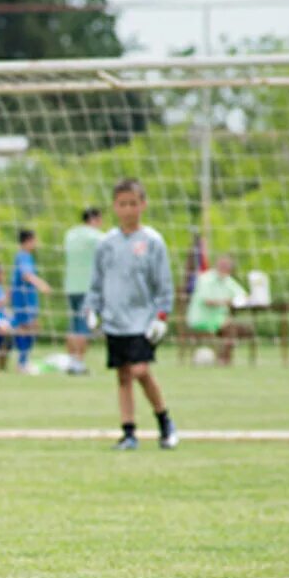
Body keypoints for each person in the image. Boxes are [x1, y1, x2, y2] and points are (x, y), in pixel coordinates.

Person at [85, 177, 178, 450]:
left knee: (140, 370)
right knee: (123, 375)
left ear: (143, 205)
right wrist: (92, 309)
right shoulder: (106, 244)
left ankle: (164, 421)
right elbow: (96, 282)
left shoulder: (152, 242)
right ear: (115, 207)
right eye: (122, 204)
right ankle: (129, 432)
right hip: (115, 320)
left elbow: (163, 285)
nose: (128, 209)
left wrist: (161, 316)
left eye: (133, 204)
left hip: (141, 320)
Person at [186, 254, 253, 365]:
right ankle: (223, 360)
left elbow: (243, 295)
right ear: (217, 266)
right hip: (201, 318)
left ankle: (223, 356)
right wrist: (227, 301)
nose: (225, 269)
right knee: (230, 326)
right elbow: (207, 301)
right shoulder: (205, 279)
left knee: (245, 328)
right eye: (223, 266)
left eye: (227, 267)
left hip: (219, 319)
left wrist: (244, 298)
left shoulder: (227, 280)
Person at [63, 208, 105, 374]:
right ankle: (78, 363)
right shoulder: (96, 237)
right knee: (83, 326)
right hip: (87, 287)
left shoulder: (70, 235)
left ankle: (71, 361)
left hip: (71, 286)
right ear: (95, 219)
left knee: (73, 324)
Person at [11, 229, 52, 374]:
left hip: (27, 298)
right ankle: (22, 363)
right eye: (35, 240)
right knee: (26, 328)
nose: (36, 244)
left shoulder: (25, 256)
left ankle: (23, 361)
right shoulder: (23, 256)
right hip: (23, 300)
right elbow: (26, 275)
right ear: (28, 241)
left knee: (32, 327)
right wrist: (41, 284)